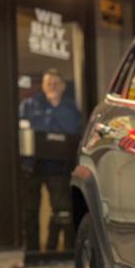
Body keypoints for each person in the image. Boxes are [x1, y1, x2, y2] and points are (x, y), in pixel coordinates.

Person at [19, 69, 81, 253]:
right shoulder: (30, 105)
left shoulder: (71, 108)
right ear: (43, 86)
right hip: (32, 165)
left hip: (59, 166)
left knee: (61, 210)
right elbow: (23, 131)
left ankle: (55, 250)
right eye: (48, 84)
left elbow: (73, 130)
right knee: (30, 211)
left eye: (55, 84)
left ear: (63, 87)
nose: (52, 87)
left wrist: (56, 107)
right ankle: (32, 252)